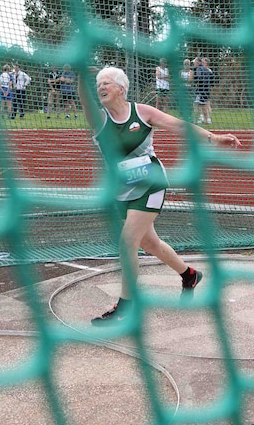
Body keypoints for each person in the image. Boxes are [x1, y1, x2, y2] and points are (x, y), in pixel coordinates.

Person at [78, 66, 241, 326]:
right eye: (98, 84)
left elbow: (179, 125)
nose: (101, 88)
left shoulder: (142, 113)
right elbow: (85, 99)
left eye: (107, 83)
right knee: (149, 243)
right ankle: (189, 275)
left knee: (127, 242)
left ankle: (126, 307)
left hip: (150, 183)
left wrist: (214, 138)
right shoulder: (99, 119)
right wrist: (80, 73)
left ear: (121, 88)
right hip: (121, 191)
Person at [193, 57, 215, 124]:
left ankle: (207, 118)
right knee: (203, 105)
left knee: (204, 105)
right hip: (206, 90)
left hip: (202, 90)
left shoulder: (206, 70)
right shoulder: (207, 70)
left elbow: (210, 81)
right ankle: (204, 118)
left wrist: (196, 83)